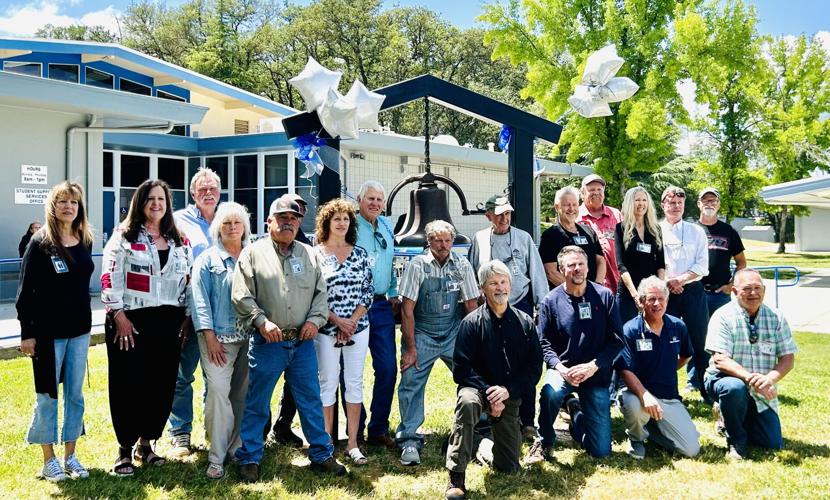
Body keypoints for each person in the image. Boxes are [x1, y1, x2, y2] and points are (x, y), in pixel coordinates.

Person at [232, 196, 345, 482]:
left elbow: (322, 295)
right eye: (282, 218)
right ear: (269, 221)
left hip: (303, 343)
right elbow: (241, 295)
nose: (288, 222)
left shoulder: (310, 254)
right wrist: (261, 321)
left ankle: (321, 453)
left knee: (310, 400)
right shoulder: (252, 253)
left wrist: (314, 321)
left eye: (293, 219)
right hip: (268, 343)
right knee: (257, 402)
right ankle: (250, 457)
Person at [101, 179, 193, 476]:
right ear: (140, 203)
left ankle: (146, 444)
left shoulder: (180, 238)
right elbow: (109, 276)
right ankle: (124, 449)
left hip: (169, 321)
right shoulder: (123, 235)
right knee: (129, 384)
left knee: (160, 384)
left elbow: (189, 281)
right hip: (131, 321)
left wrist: (188, 317)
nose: (156, 204)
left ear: (168, 205)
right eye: (150, 199)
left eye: (162, 199)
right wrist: (118, 314)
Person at [444, 260, 543, 500]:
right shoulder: (470, 324)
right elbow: (461, 369)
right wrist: (490, 392)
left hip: (508, 394)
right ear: (482, 289)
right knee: (467, 403)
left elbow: (533, 369)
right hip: (477, 390)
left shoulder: (525, 323)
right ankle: (456, 476)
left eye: (503, 282)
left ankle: (482, 446)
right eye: (493, 283)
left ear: (511, 284)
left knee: (508, 467)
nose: (499, 288)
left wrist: (507, 391)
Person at [17, 182, 94, 481]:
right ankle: (48, 460)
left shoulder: (84, 239)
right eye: (62, 201)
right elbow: (25, 293)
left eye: (73, 202)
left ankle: (71, 456)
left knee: (75, 395)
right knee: (48, 395)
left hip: (79, 331)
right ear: (53, 206)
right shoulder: (40, 242)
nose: (68, 207)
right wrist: (27, 334)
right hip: (48, 333)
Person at [396, 220, 479, 466]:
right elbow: (407, 310)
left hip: (453, 331)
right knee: (410, 381)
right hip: (422, 332)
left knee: (474, 374)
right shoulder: (417, 266)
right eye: (437, 240)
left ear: (452, 241)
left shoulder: (462, 265)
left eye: (447, 240)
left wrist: (472, 347)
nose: (443, 245)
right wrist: (410, 349)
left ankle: (480, 428)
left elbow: (471, 307)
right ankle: (409, 439)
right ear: (428, 242)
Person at [468, 193, 546, 439]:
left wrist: (540, 308)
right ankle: (487, 416)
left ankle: (528, 422)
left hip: (519, 305)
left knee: (524, 364)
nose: (504, 218)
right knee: (488, 362)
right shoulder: (479, 239)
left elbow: (537, 274)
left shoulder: (524, 238)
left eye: (508, 213)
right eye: (499, 214)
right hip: (488, 309)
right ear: (488, 215)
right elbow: (471, 274)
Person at [536, 246, 624, 459]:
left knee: (601, 452)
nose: (577, 269)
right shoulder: (550, 301)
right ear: (561, 269)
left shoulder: (604, 296)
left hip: (595, 373)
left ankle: (576, 414)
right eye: (571, 265)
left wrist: (593, 365)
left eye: (581, 264)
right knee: (550, 392)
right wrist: (561, 368)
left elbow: (618, 340)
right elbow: (543, 343)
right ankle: (545, 440)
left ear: (587, 267)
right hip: (564, 369)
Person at [704, 268, 797, 460]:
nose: (753, 293)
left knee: (771, 442)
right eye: (747, 289)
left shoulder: (776, 318)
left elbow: (787, 359)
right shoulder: (722, 316)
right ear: (735, 291)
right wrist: (751, 379)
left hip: (760, 386)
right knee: (734, 389)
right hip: (725, 380)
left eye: (757, 288)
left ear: (764, 290)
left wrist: (769, 379)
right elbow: (720, 360)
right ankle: (736, 441)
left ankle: (730, 416)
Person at [190, 202, 252, 479]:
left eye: (236, 222)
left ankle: (235, 448)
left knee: (241, 395)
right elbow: (199, 300)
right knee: (217, 392)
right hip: (218, 340)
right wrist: (208, 335)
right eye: (226, 223)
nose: (231, 227)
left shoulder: (253, 256)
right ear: (218, 227)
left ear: (244, 227)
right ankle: (216, 457)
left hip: (251, 338)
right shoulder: (207, 259)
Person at [313, 199, 374, 465]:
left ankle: (352, 443)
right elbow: (312, 295)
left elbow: (368, 292)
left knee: (354, 383)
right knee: (327, 383)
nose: (341, 223)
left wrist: (350, 323)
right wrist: (338, 321)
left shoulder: (360, 254)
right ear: (327, 222)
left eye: (346, 219)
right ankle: (327, 442)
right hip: (326, 328)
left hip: (358, 328)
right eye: (336, 218)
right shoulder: (315, 254)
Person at [615, 276, 700, 459]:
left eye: (661, 299)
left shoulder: (678, 326)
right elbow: (625, 370)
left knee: (691, 450)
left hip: (668, 396)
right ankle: (636, 438)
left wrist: (667, 368)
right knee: (633, 405)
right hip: (637, 394)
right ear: (642, 301)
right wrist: (645, 395)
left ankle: (652, 430)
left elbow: (686, 355)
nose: (656, 304)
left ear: (667, 301)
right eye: (651, 299)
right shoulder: (630, 330)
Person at [169, 167, 220, 456]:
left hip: (223, 311)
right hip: (187, 310)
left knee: (217, 375)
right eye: (202, 189)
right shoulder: (178, 221)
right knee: (182, 374)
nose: (208, 193)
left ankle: (215, 430)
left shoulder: (229, 217)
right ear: (192, 194)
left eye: (212, 188)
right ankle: (180, 432)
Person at [354, 181, 400, 448]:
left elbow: (390, 262)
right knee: (353, 370)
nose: (375, 203)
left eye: (379, 200)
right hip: (354, 306)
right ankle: (355, 429)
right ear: (360, 200)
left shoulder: (385, 226)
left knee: (387, 368)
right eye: (370, 198)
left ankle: (378, 427)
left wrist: (393, 291)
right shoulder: (350, 225)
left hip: (381, 305)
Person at [266, 192, 312, 447]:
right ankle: (261, 430)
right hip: (268, 333)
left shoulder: (306, 248)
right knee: (261, 387)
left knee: (294, 386)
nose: (293, 218)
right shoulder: (263, 248)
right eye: (285, 214)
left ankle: (283, 426)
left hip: (301, 332)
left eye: (297, 213)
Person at [659, 186, 711, 403]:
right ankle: (666, 389)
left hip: (692, 291)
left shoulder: (696, 231)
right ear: (663, 205)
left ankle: (707, 390)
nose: (675, 207)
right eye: (671, 203)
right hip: (664, 292)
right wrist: (669, 282)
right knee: (665, 342)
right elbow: (655, 261)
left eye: (679, 203)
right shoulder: (655, 230)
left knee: (700, 342)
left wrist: (681, 280)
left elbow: (702, 265)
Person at [614, 186, 665, 324]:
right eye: (637, 200)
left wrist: (660, 291)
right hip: (628, 294)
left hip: (651, 294)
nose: (641, 203)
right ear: (630, 203)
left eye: (644, 200)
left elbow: (661, 263)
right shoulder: (621, 228)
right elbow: (621, 265)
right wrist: (635, 294)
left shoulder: (655, 229)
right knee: (626, 336)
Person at [540, 186, 606, 289]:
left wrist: (597, 287)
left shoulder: (589, 231)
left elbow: (601, 261)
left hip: (592, 294)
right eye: (567, 205)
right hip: (566, 297)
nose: (571, 209)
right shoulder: (550, 235)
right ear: (557, 207)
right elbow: (550, 272)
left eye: (574, 204)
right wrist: (575, 290)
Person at [697, 187, 746, 316]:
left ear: (718, 205)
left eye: (713, 201)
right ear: (699, 204)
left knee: (723, 333)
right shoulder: (691, 230)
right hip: (695, 292)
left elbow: (741, 262)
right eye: (705, 200)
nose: (709, 204)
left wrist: (731, 284)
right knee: (696, 334)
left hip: (720, 295)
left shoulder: (729, 231)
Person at [579, 174, 623, 294]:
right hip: (587, 286)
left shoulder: (616, 215)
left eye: (599, 189)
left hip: (617, 284)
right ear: (582, 193)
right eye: (591, 190)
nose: (596, 193)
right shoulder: (576, 217)